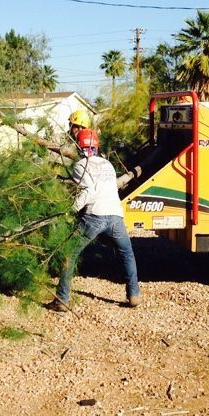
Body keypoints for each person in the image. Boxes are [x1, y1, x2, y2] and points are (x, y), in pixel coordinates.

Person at [49, 128, 141, 311]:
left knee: (70, 254)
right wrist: (130, 175)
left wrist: (69, 211)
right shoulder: (107, 164)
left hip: (94, 217)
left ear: (79, 147)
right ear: (96, 146)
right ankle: (134, 295)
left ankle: (61, 299)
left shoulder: (80, 166)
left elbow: (88, 192)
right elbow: (113, 185)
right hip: (115, 216)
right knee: (127, 254)